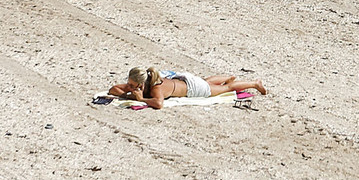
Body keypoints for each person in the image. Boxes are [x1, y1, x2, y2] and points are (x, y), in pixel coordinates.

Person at [108, 67, 267, 109]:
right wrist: (129, 94)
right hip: (185, 81)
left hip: (193, 89)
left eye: (131, 85)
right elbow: (114, 89)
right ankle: (226, 78)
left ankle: (254, 83)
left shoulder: (156, 87)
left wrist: (141, 99)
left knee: (227, 89)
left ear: (141, 84)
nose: (128, 86)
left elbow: (158, 103)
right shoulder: (146, 80)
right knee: (206, 82)